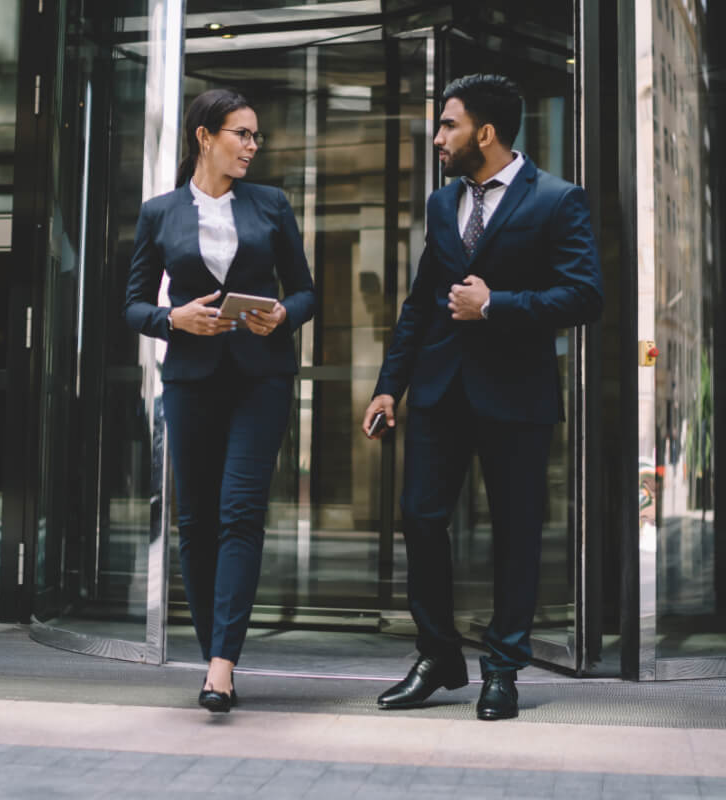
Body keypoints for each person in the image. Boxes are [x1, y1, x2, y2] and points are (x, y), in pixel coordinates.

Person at [362, 74, 603, 718]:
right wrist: (391, 385)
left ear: (486, 133)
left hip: (516, 396)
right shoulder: (445, 204)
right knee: (420, 516)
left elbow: (585, 296)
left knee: (516, 535)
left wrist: (497, 304)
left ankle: (503, 667)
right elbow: (420, 305)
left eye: (449, 125)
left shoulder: (557, 199)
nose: (438, 136)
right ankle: (439, 656)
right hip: (440, 392)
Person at [124, 88, 314, 713]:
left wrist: (283, 313)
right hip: (192, 380)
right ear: (205, 136)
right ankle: (214, 654)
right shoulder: (160, 213)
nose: (253, 146)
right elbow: (131, 305)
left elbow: (307, 293)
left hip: (261, 377)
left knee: (239, 512)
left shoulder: (272, 204)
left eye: (257, 136)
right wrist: (172, 319)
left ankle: (222, 667)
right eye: (243, 134)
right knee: (197, 522)